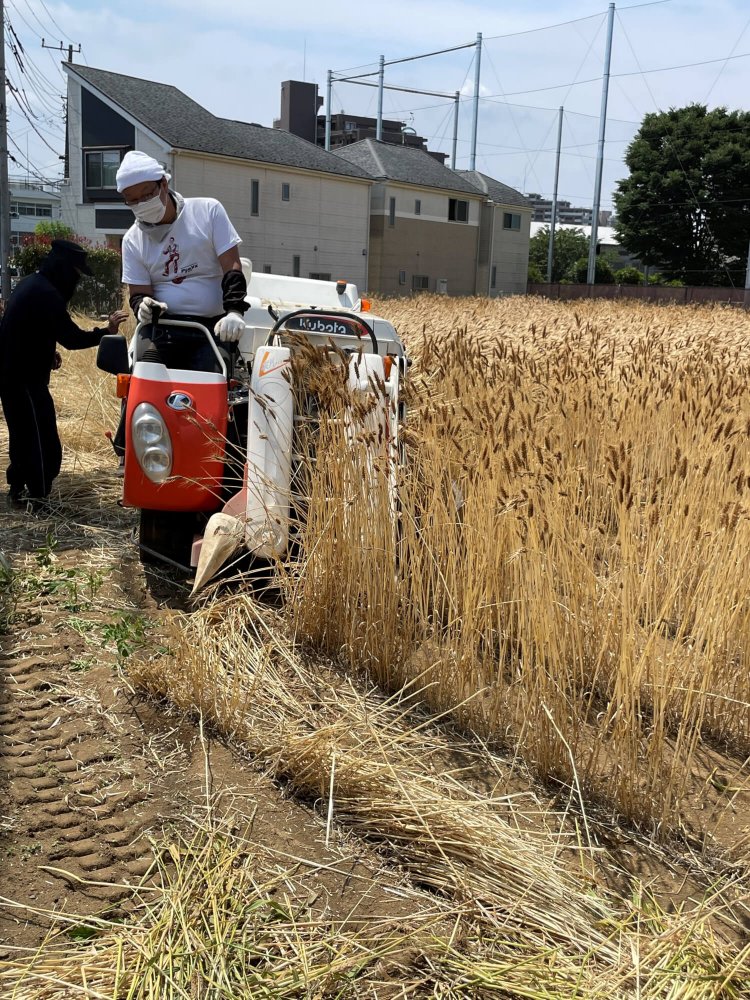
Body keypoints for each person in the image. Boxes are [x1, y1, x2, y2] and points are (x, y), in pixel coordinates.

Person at [0, 239, 128, 506]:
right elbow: (71, 338)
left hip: (14, 373)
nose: (76, 281)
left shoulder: (32, 284)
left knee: (23, 433)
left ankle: (19, 489)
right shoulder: (46, 293)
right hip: (22, 378)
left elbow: (28, 329)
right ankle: (37, 495)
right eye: (76, 274)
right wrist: (106, 331)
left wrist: (47, 353)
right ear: (63, 268)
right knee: (39, 436)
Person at [115, 150, 248, 374]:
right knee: (144, 377)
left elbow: (232, 267)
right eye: (133, 201)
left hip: (212, 326)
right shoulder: (132, 240)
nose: (141, 204)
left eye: (147, 195)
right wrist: (143, 307)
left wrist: (234, 311)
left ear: (164, 185)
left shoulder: (207, 212)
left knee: (212, 381)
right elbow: (138, 293)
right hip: (162, 329)